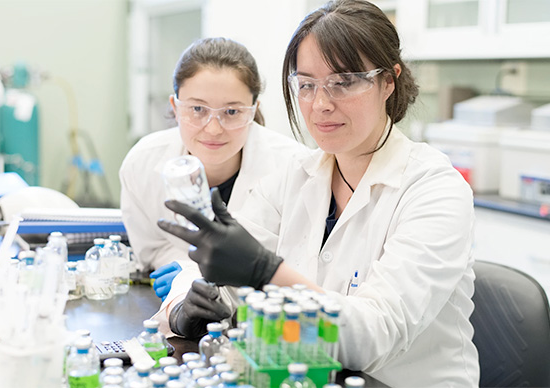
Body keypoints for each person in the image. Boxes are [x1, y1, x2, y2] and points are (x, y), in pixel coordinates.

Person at [158, 1, 479, 386]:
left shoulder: (434, 190)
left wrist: (265, 271)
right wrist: (184, 306)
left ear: (388, 81)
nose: (321, 104)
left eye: (344, 82)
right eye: (307, 85)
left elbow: (374, 335)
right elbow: (213, 267)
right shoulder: (294, 177)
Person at [119, 37, 306, 303]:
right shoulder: (142, 163)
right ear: (174, 107)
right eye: (197, 109)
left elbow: (296, 264)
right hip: (177, 309)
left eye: (232, 111)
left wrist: (207, 275)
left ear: (253, 112)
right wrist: (186, 271)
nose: (214, 128)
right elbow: (153, 247)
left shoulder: (293, 167)